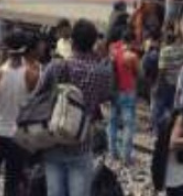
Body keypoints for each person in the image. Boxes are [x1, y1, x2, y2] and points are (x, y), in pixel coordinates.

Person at [37, 19, 112, 196]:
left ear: (72, 40)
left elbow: (39, 95)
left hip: (53, 141)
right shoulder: (101, 72)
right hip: (82, 144)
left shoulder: (56, 66)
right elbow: (104, 98)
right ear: (93, 43)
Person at [0, 30, 40, 196]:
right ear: (25, 49)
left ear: (6, 48)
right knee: (12, 181)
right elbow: (34, 105)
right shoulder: (32, 75)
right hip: (19, 136)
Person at [107, 29, 140, 165]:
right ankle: (126, 157)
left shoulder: (113, 51)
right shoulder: (131, 56)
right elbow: (138, 73)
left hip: (115, 92)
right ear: (132, 41)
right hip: (128, 93)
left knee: (113, 122)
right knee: (128, 125)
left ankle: (113, 153)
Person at [152, 31, 183, 135]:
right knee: (172, 107)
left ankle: (157, 130)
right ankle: (169, 129)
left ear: (166, 40)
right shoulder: (181, 50)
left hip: (165, 83)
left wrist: (157, 85)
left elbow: (162, 70)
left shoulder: (165, 51)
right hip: (176, 83)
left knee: (158, 108)